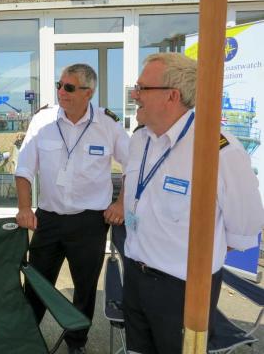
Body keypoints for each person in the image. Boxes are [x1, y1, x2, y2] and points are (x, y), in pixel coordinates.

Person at [123, 52, 264, 354]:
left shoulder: (217, 149)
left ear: (172, 95)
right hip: (135, 276)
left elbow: (246, 225)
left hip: (183, 290)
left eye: (141, 88)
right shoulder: (139, 140)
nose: (135, 95)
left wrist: (200, 253)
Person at [15, 63, 130, 354]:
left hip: (90, 222)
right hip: (49, 219)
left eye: (68, 87)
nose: (60, 92)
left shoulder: (108, 125)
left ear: (88, 92)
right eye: (59, 85)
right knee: (37, 284)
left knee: (85, 288)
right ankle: (26, 339)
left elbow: (135, 166)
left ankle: (76, 343)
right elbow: (24, 168)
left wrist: (121, 203)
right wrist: (24, 208)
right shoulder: (42, 121)